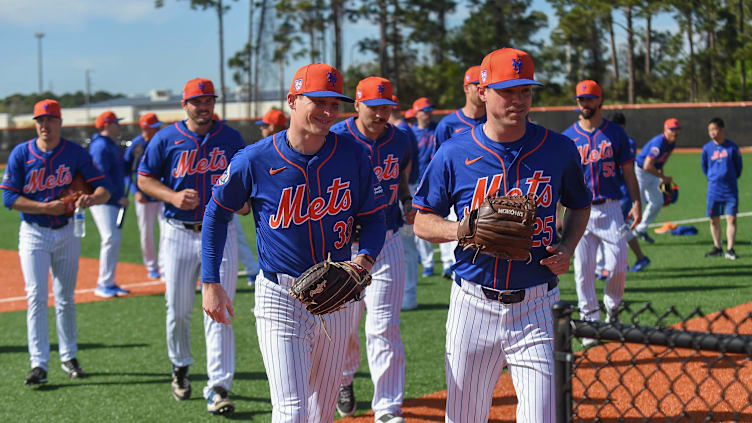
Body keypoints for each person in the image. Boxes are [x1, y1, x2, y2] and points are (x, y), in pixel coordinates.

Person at [199, 63, 387, 422]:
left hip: (339, 292)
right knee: (292, 409)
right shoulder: (255, 159)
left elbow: (374, 218)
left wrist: (363, 261)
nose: (328, 112)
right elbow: (216, 214)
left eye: (335, 104)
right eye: (318, 101)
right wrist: (211, 282)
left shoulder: (352, 155)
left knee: (321, 409)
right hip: (280, 296)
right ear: (292, 101)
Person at [412, 47, 591, 423]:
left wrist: (568, 246)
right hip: (472, 305)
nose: (519, 100)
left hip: (538, 305)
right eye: (508, 91)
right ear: (482, 91)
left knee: (544, 416)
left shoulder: (559, 149)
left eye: (525, 91)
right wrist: (461, 229)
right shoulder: (454, 152)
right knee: (464, 416)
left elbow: (579, 204)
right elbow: (421, 220)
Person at [137, 78, 245, 415]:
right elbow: (143, 178)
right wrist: (171, 196)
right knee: (178, 308)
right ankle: (180, 364)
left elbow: (247, 180)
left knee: (220, 311)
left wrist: (243, 201)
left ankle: (218, 386)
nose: (203, 107)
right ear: (184, 105)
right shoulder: (166, 138)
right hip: (178, 232)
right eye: (197, 101)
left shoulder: (230, 138)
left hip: (221, 232)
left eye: (208, 100)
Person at [1, 99, 111, 386]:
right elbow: (8, 198)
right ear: (35, 123)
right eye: (40, 120)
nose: (44, 125)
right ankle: (39, 363)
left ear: (60, 122)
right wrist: (43, 208)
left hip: (67, 232)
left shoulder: (74, 153)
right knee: (36, 296)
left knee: (65, 297)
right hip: (34, 233)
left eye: (50, 119)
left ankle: (69, 355)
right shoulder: (21, 153)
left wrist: (91, 198)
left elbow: (103, 190)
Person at [330, 76, 413, 423]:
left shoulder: (402, 139)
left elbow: (403, 179)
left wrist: (408, 201)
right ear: (357, 105)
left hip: (388, 239)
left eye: (386, 107)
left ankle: (387, 408)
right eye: (374, 107)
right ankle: (345, 379)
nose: (381, 113)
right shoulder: (336, 139)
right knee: (345, 328)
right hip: (344, 246)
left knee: (383, 327)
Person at [562, 81, 641, 337]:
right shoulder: (568, 137)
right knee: (583, 271)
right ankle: (589, 322)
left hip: (611, 208)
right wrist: (556, 213)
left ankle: (612, 307)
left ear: (600, 101)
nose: (585, 104)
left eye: (589, 99)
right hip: (578, 211)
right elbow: (561, 178)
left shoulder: (616, 133)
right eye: (581, 99)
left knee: (619, 263)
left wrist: (637, 202)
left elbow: (628, 172)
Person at [432, 65, 488, 280]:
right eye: (477, 85)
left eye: (485, 85)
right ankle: (452, 268)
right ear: (467, 88)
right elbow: (439, 163)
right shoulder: (448, 124)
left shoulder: (492, 120)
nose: (481, 89)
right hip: (461, 192)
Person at [89, 110, 131, 298]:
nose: (118, 126)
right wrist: (115, 197)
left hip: (112, 200)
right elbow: (100, 177)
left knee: (113, 240)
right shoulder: (100, 146)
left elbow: (122, 171)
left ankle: (109, 282)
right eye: (115, 122)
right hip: (103, 200)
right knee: (110, 239)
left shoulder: (110, 145)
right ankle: (103, 283)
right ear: (106, 124)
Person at [388, 96, 420, 310]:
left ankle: (408, 296)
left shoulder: (401, 131)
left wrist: (405, 198)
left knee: (407, 247)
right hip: (407, 189)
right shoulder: (399, 129)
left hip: (408, 189)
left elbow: (403, 171)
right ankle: (406, 295)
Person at [123, 112, 164, 279]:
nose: (157, 129)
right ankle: (151, 266)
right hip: (144, 197)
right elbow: (126, 173)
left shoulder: (162, 142)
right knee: (146, 233)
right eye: (153, 127)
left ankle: (164, 265)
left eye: (157, 126)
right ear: (145, 129)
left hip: (162, 195)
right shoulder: (136, 145)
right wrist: (135, 192)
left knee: (166, 232)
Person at [611, 112, 651, 272]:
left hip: (621, 191)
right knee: (619, 228)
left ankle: (636, 258)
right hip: (619, 189)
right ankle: (612, 265)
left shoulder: (622, 141)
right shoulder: (626, 140)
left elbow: (624, 168)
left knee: (620, 229)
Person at [631, 118, 680, 243]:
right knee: (637, 205)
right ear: (665, 130)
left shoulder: (671, 143)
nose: (675, 132)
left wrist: (661, 178)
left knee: (658, 202)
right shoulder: (659, 143)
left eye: (677, 129)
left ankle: (640, 229)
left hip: (652, 173)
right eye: (672, 129)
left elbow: (660, 163)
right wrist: (662, 177)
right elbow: (647, 165)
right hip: (641, 172)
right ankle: (625, 234)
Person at [702, 117, 743, 259]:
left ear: (722, 129)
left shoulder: (732, 147)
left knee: (731, 219)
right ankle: (717, 247)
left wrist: (729, 177)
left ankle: (730, 249)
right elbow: (704, 167)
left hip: (730, 189)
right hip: (714, 189)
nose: (712, 133)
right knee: (714, 219)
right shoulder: (707, 149)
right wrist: (714, 177)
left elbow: (739, 167)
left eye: (715, 129)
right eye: (710, 130)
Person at [409, 97, 441, 277]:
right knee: (419, 224)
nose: (428, 114)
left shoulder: (438, 129)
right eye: (425, 111)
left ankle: (447, 264)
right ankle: (427, 263)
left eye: (430, 111)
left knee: (442, 221)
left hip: (436, 183)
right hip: (415, 184)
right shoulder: (411, 133)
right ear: (416, 113)